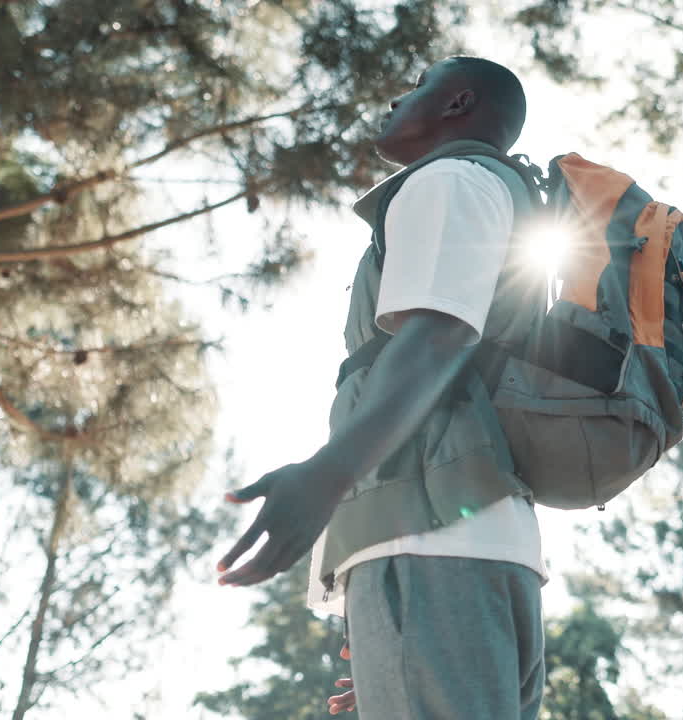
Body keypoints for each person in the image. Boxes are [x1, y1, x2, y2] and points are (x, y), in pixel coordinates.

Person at [216, 56, 547, 720]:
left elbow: (437, 335)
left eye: (417, 86)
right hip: (475, 548)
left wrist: (327, 476)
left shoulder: (451, 179)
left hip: (425, 539)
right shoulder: (493, 194)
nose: (398, 97)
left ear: (458, 104)